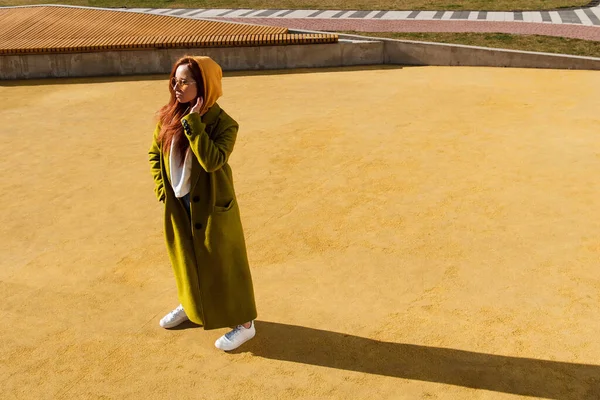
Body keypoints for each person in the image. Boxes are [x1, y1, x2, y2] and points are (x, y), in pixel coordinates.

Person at [148, 55, 257, 351]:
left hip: (213, 207)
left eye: (184, 81)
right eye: (175, 80)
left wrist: (194, 123)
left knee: (225, 264)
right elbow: (153, 155)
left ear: (204, 86)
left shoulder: (224, 125)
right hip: (179, 205)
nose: (176, 87)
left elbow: (211, 161)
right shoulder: (168, 116)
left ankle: (245, 324)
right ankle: (191, 306)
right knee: (186, 260)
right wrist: (164, 192)